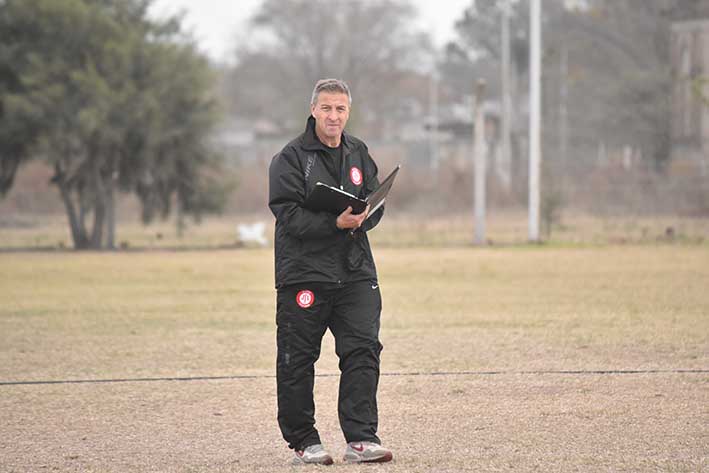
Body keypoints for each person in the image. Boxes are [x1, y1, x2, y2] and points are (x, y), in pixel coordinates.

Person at [268, 78, 393, 465]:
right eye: (326, 108)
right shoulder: (290, 158)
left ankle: (361, 439)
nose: (333, 116)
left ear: (348, 112)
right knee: (297, 358)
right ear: (313, 110)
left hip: (355, 273)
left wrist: (363, 218)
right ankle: (304, 441)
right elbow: (286, 214)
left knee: (363, 350)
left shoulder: (358, 152)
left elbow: (375, 202)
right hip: (305, 275)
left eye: (340, 109)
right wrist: (333, 224)